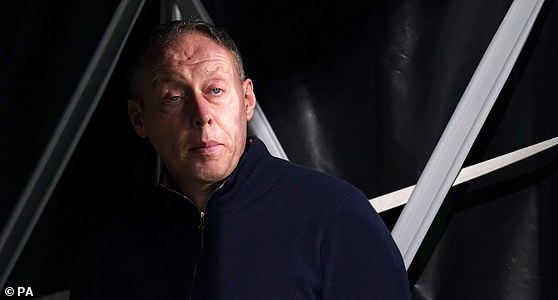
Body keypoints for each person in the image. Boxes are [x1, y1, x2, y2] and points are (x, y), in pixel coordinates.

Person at [72, 19, 411, 299]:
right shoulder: (111, 248)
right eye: (174, 97)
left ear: (247, 100)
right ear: (139, 119)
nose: (202, 114)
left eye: (215, 90)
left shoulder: (335, 217)